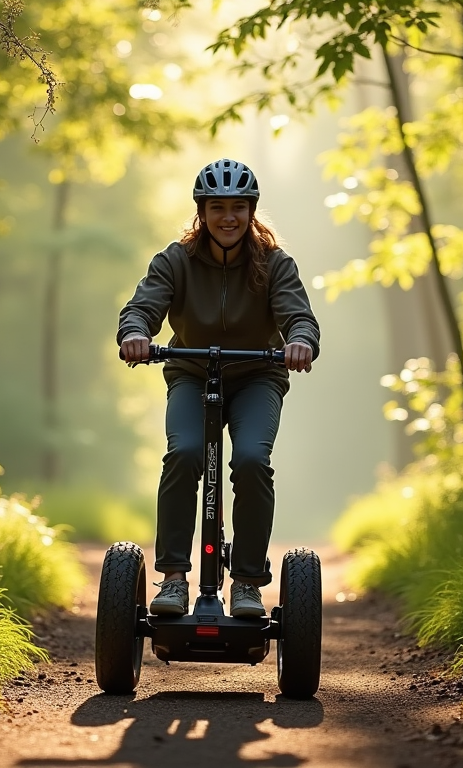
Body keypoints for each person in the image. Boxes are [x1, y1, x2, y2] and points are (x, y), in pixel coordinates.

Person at [117, 158, 320, 619]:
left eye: (237, 207)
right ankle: (172, 577)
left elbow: (297, 315)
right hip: (192, 373)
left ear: (251, 211)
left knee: (251, 460)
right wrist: (135, 334)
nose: (227, 217)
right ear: (201, 212)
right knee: (184, 453)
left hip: (257, 376)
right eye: (217, 207)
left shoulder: (274, 264)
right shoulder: (176, 260)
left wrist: (301, 341)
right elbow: (143, 305)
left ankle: (247, 581)